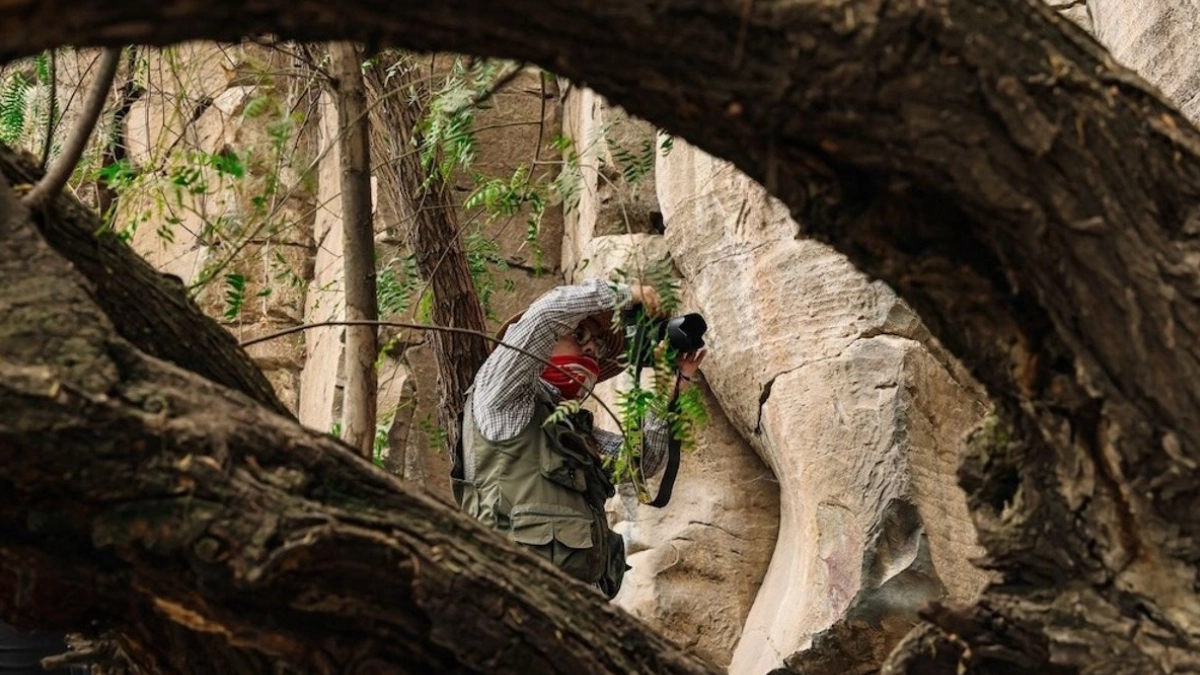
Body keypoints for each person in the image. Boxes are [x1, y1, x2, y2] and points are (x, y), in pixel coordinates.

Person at [453, 278, 706, 597]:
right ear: (535, 346)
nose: (590, 349)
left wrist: (668, 390)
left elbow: (640, 465)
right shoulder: (500, 397)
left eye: (598, 345)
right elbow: (545, 316)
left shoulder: (572, 430)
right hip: (515, 595)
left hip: (581, 604)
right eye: (580, 335)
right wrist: (625, 295)